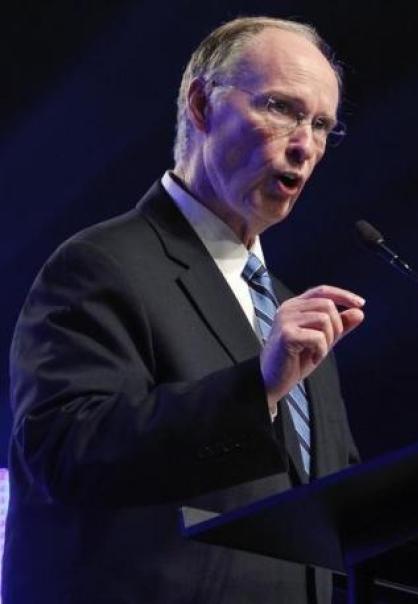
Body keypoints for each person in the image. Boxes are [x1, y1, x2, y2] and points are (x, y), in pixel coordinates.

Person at [3, 16, 364, 604]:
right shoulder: (101, 265)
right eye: (281, 108)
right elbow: (66, 454)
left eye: (321, 124)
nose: (306, 145)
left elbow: (332, 514)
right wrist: (258, 389)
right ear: (201, 106)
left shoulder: (290, 311)